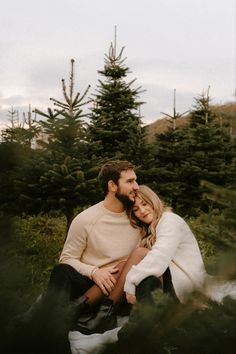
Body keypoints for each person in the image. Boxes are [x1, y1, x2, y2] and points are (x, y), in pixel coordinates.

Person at [47, 160, 142, 335]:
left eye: (136, 180)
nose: (136, 186)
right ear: (112, 185)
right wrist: (94, 272)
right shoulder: (85, 219)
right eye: (129, 181)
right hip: (89, 283)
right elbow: (67, 259)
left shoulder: (139, 219)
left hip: (120, 288)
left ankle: (102, 316)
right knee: (62, 271)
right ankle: (55, 326)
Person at [123, 185, 207, 305]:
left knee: (141, 254)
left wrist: (130, 283)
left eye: (145, 204)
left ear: (153, 201)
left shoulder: (170, 220)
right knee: (132, 266)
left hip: (184, 284)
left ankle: (110, 307)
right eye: (135, 209)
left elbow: (159, 258)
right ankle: (111, 308)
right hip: (168, 281)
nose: (142, 211)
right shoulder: (148, 229)